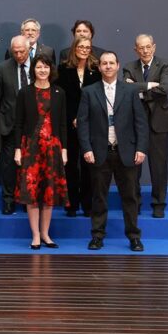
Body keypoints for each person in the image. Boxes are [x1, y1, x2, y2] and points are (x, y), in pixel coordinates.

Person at [77, 51, 148, 252]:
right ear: (99, 67)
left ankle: (134, 237)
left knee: (130, 197)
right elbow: (83, 124)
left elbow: (140, 122)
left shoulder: (130, 90)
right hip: (99, 152)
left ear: (118, 66)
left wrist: (141, 148)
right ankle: (97, 236)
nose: (108, 66)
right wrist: (87, 149)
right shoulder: (89, 91)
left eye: (111, 63)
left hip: (126, 152)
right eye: (104, 63)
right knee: (99, 197)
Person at [13, 53, 68, 249]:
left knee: (49, 193)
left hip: (53, 148)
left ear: (50, 70)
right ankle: (35, 235)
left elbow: (62, 124)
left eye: (45, 67)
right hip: (31, 148)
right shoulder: (25, 92)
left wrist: (65, 150)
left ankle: (46, 234)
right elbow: (18, 123)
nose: (42, 70)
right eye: (38, 67)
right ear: (33, 70)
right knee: (32, 193)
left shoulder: (59, 93)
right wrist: (18, 150)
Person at [123, 34, 168, 218]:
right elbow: (126, 89)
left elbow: (165, 89)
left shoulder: (164, 64)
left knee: (159, 166)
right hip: (135, 123)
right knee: (133, 167)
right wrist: (150, 85)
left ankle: (158, 203)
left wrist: (140, 89)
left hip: (159, 122)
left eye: (148, 47)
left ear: (153, 47)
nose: (145, 51)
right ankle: (135, 203)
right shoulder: (129, 67)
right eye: (141, 47)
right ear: (135, 49)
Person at [55, 36, 101, 217]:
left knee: (88, 165)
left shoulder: (96, 71)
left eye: (88, 47)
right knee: (70, 166)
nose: (84, 49)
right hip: (68, 124)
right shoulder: (63, 70)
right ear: (74, 48)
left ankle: (87, 204)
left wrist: (83, 118)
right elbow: (59, 98)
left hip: (90, 125)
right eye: (81, 46)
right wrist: (72, 117)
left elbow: (98, 99)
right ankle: (71, 204)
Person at [0, 35, 31, 215]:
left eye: (21, 51)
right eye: (14, 52)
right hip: (8, 125)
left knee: (29, 165)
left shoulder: (39, 66)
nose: (18, 55)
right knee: (8, 165)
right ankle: (8, 200)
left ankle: (27, 199)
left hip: (33, 126)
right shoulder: (2, 68)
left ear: (29, 48)